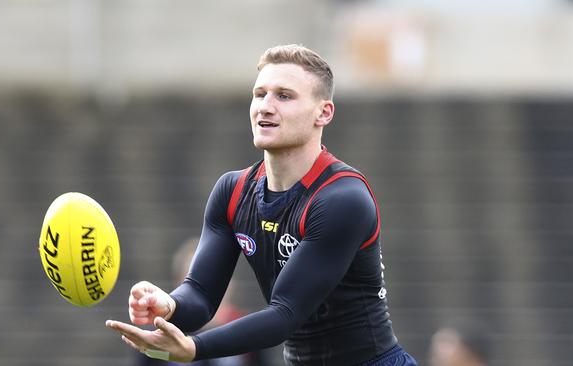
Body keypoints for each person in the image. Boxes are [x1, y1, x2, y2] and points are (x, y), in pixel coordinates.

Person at [106, 44, 417, 366]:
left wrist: (194, 347)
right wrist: (169, 305)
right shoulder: (232, 190)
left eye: (284, 96)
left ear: (323, 113)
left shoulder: (341, 198)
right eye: (260, 94)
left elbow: (285, 314)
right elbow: (200, 293)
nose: (265, 107)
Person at [135, 237, 268, 366]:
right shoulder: (161, 334)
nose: (209, 286)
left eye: (217, 276)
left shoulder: (247, 330)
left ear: (231, 282)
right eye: (194, 281)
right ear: (179, 286)